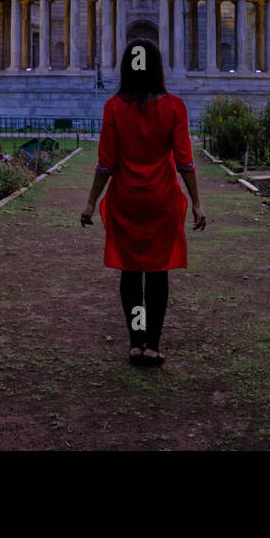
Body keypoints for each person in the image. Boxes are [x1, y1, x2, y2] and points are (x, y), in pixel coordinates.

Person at [80, 39, 206, 366]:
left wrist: (91, 202)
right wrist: (196, 202)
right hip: (162, 200)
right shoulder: (174, 106)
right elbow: (185, 162)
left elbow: (105, 162)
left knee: (131, 273)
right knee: (159, 273)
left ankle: (135, 342)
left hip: (126, 201)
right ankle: (153, 344)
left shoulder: (114, 107)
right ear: (158, 68)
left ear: (126, 67)